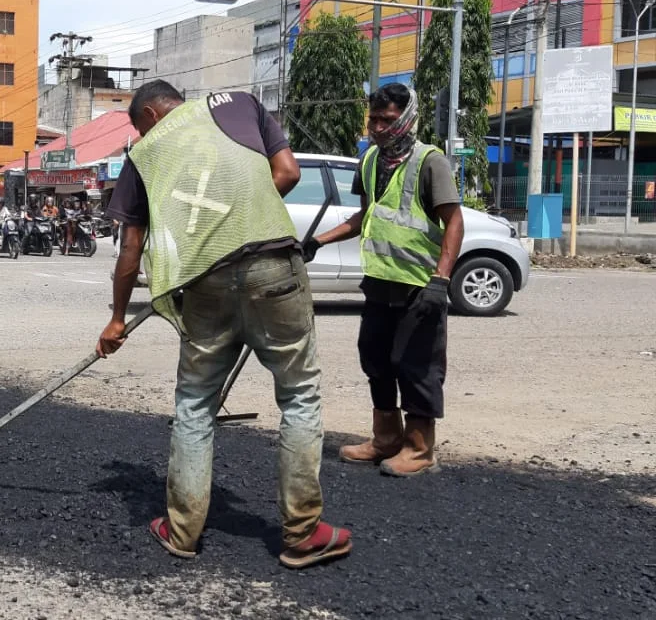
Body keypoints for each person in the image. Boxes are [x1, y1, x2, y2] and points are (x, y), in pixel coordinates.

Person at [97, 80, 351, 570]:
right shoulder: (241, 104)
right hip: (275, 267)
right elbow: (288, 172)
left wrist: (116, 320)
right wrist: (242, 217)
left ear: (150, 113)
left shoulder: (144, 155)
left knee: (194, 403)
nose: (141, 135)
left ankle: (182, 530)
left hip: (205, 281)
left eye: (137, 126)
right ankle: (301, 534)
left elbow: (132, 248)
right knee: (299, 395)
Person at [307, 83, 463, 477]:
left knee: (416, 367)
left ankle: (420, 449)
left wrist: (441, 280)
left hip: (419, 286)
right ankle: (386, 439)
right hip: (378, 283)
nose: (378, 127)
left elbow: (454, 222)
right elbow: (366, 216)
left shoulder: (430, 162)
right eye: (373, 119)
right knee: (376, 361)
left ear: (407, 118)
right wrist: (317, 242)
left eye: (387, 119)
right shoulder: (371, 161)